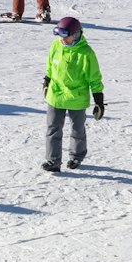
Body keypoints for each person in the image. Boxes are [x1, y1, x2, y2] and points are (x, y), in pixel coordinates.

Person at [41, 16, 105, 173]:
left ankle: (77, 156)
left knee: (77, 130)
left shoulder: (86, 53)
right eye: (60, 36)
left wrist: (99, 101)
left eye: (66, 36)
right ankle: (53, 161)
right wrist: (46, 81)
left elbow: (94, 78)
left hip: (76, 97)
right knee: (53, 129)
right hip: (55, 95)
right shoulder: (56, 45)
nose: (63, 40)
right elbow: (50, 66)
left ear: (76, 34)